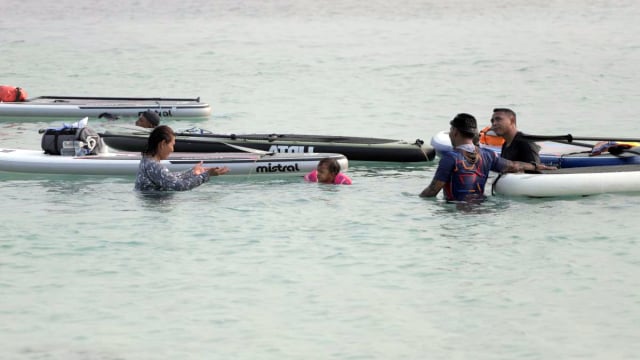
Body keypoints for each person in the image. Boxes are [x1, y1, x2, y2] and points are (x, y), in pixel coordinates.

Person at [420, 113, 554, 202]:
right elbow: (514, 166)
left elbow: (432, 191)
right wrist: (536, 166)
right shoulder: (488, 155)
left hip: (457, 211)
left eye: (450, 130)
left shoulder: (450, 158)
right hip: (481, 207)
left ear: (455, 132)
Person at [134, 125, 229, 191]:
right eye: (172, 145)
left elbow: (169, 178)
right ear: (163, 144)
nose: (172, 150)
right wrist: (206, 175)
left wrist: (192, 172)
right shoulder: (153, 165)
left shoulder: (146, 161)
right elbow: (179, 186)